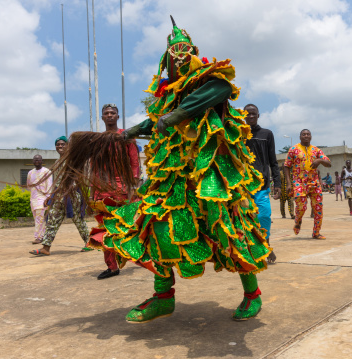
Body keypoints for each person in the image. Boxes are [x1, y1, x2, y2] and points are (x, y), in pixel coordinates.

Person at [51, 17, 273, 323]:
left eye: (185, 52)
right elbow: (154, 121)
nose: (180, 59)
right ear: (167, 60)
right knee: (156, 225)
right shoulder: (167, 94)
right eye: (174, 54)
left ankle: (252, 294)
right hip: (174, 177)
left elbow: (221, 90)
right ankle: (163, 296)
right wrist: (126, 133)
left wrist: (177, 115)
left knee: (226, 228)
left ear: (194, 53)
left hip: (211, 176)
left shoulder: (209, 80)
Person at [90, 104, 141, 280]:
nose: (110, 115)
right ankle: (112, 267)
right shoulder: (97, 140)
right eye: (106, 113)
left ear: (118, 117)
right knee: (105, 228)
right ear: (102, 118)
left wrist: (133, 186)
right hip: (102, 190)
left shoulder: (126, 136)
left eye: (113, 113)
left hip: (122, 188)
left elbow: (135, 162)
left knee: (128, 225)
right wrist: (92, 192)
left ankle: (139, 256)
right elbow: (94, 167)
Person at [29, 136, 90, 256]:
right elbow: (57, 182)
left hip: (72, 195)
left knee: (78, 220)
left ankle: (89, 242)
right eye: (58, 144)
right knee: (52, 219)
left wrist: (72, 186)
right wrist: (50, 196)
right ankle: (46, 247)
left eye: (63, 144)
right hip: (59, 196)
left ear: (68, 146)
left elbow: (79, 175)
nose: (60, 146)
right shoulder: (57, 162)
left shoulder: (73, 160)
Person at [243, 104, 280, 264]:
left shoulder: (267, 134)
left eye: (253, 114)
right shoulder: (238, 134)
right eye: (247, 114)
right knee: (245, 220)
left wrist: (277, 183)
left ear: (258, 115)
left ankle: (266, 244)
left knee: (264, 216)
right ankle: (251, 251)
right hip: (242, 186)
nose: (250, 116)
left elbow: (273, 161)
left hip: (262, 186)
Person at [284, 129, 331, 239]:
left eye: (308, 134)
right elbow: (286, 166)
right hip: (299, 182)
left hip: (314, 182)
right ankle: (298, 220)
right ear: (300, 137)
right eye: (303, 134)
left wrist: (319, 161)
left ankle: (316, 232)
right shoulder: (293, 149)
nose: (306, 136)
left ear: (311, 137)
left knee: (318, 208)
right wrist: (289, 184)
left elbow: (328, 163)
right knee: (302, 207)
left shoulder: (316, 150)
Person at [27, 155, 53, 244]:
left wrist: (47, 199)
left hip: (42, 198)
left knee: (39, 218)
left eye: (38, 160)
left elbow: (49, 186)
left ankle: (38, 237)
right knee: (37, 218)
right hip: (33, 199)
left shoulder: (47, 172)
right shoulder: (30, 173)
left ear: (42, 161)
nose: (36, 161)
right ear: (32, 161)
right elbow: (28, 185)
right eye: (35, 160)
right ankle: (43, 235)